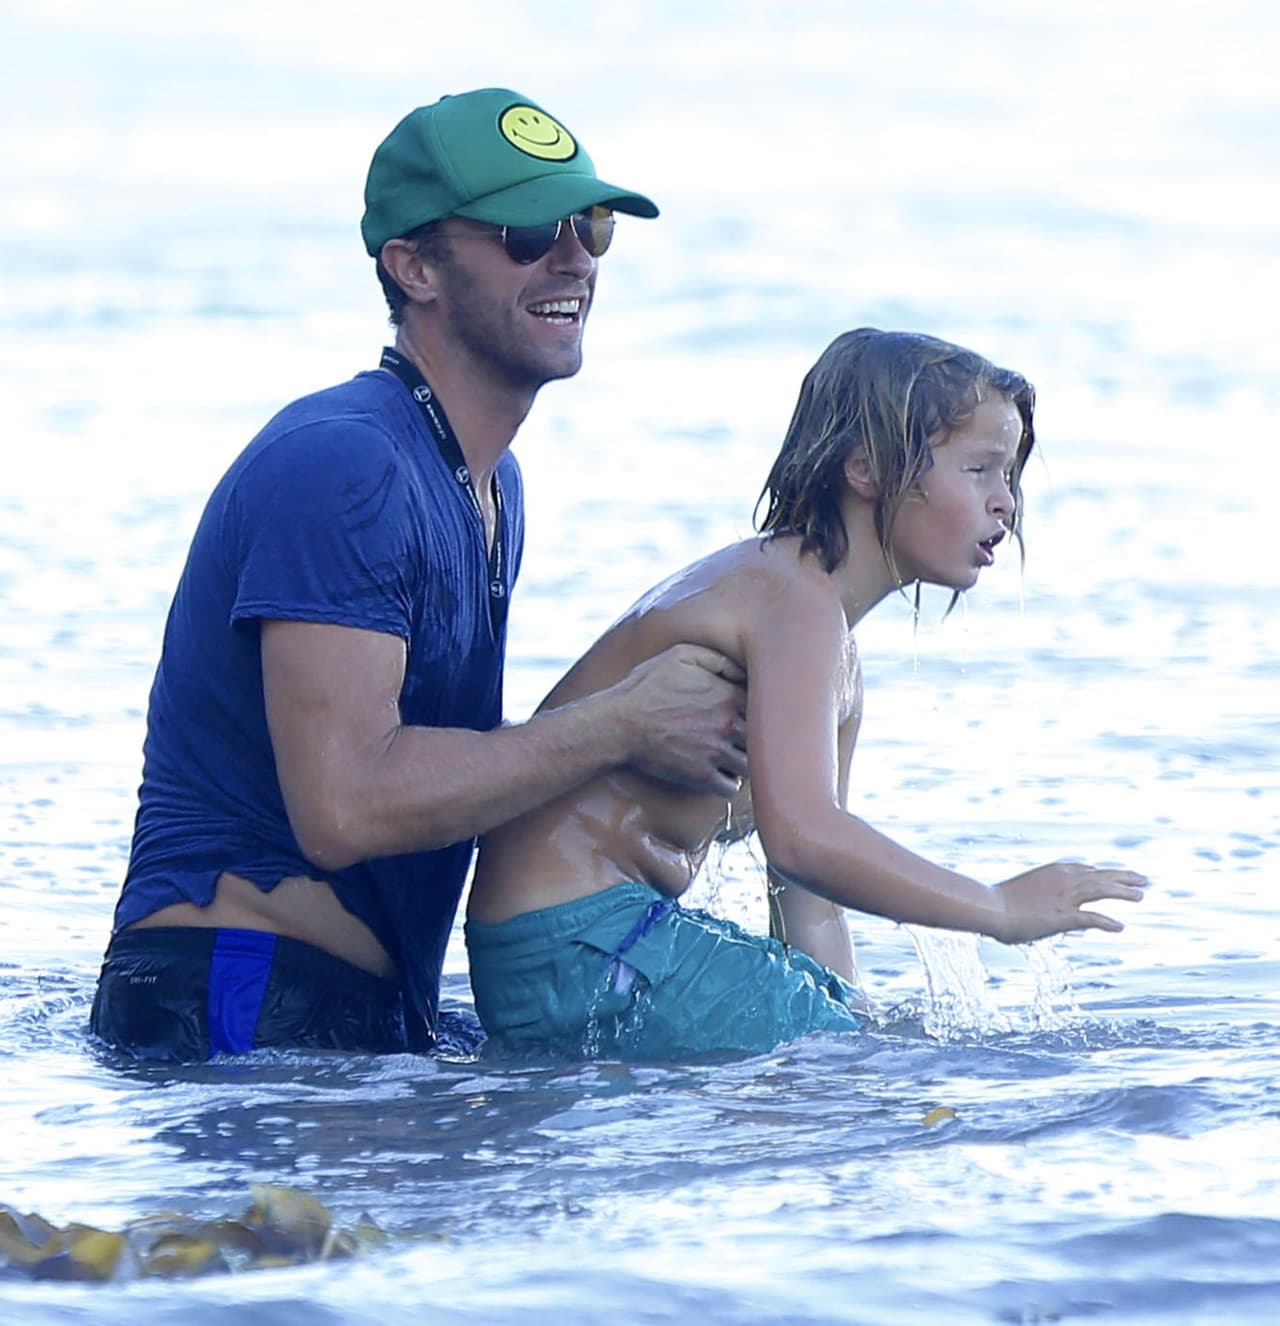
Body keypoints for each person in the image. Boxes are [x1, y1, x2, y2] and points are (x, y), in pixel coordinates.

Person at [89, 88, 748, 1061]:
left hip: (355, 1003)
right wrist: (621, 723)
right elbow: (347, 806)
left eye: (592, 228)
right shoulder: (342, 464)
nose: (574, 258)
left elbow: (456, 779)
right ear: (414, 266)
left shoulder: (492, 481)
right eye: (529, 232)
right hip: (236, 990)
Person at [465, 327, 1150, 1060]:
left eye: (1009, 475)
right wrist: (997, 907)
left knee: (857, 1045)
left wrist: (851, 1031)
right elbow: (804, 836)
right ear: (866, 468)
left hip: (579, 946)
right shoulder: (790, 597)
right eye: (979, 469)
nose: (1005, 503)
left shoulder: (832, 650)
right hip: (575, 943)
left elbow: (808, 900)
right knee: (867, 1064)